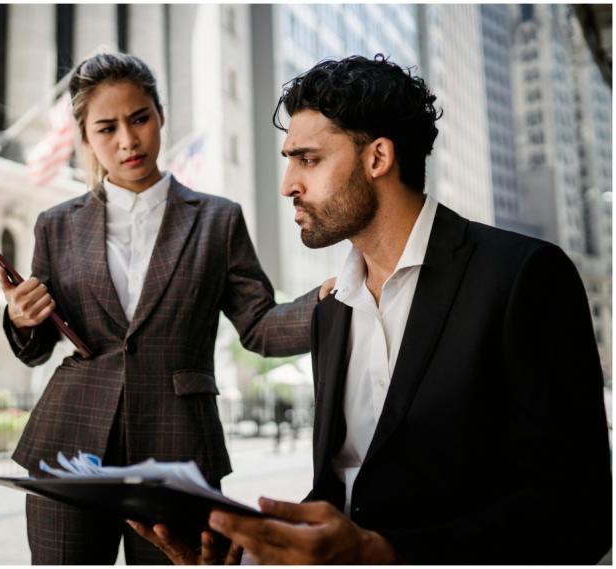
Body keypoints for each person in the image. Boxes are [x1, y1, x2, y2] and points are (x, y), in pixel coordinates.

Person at [130, 54, 612, 564]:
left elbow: (578, 512)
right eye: (288, 160)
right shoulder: (332, 311)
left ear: (377, 158)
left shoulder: (524, 277)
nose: (287, 184)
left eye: (308, 160)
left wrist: (384, 553)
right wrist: (249, 550)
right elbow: (343, 497)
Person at [0, 52, 334, 565]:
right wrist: (21, 319)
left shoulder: (218, 221)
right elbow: (37, 347)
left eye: (139, 119)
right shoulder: (56, 225)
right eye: (106, 128)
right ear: (85, 138)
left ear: (160, 115)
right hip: (69, 443)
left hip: (177, 443)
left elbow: (260, 327)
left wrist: (330, 302)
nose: (127, 141)